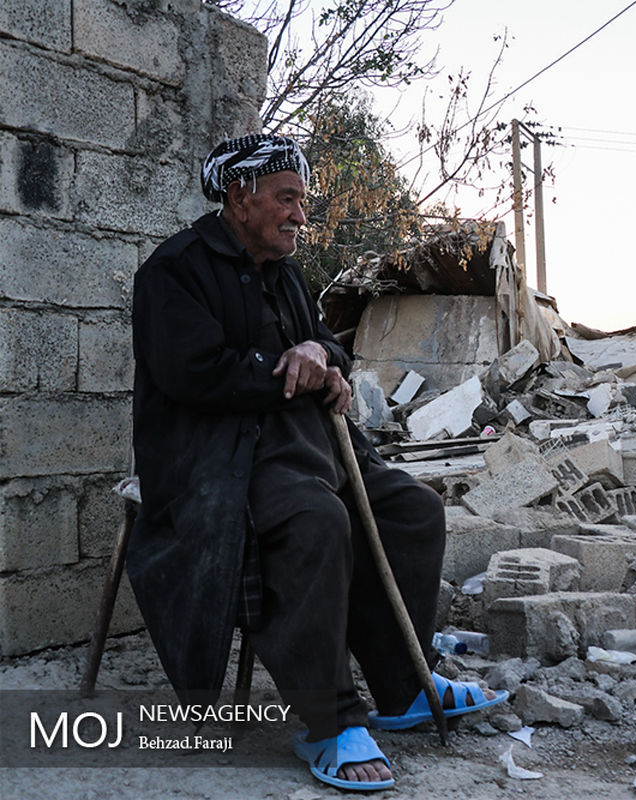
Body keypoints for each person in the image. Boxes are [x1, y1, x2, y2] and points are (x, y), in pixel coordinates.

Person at [128, 134, 505, 792]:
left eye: (302, 201)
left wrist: (322, 357)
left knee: (413, 511)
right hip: (217, 463)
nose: (300, 215)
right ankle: (329, 722)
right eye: (287, 199)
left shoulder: (283, 273)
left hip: (306, 448)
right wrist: (294, 369)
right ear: (239, 197)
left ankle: (403, 687)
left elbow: (330, 345)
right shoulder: (175, 270)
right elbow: (192, 374)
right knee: (315, 523)